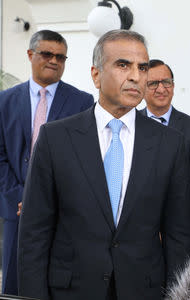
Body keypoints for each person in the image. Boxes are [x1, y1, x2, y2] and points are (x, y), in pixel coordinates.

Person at [17, 30, 190, 300]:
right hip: (70, 292)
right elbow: (34, 235)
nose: (136, 76)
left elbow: (180, 238)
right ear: (96, 75)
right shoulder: (55, 139)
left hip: (144, 292)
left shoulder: (170, 144)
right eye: (123, 65)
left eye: (142, 67)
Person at [0, 29, 93, 295]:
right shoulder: (5, 101)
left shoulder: (81, 102)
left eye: (61, 57)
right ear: (31, 55)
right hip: (16, 210)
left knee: (57, 284)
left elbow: (82, 157)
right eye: (47, 54)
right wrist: (19, 197)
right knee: (15, 287)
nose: (54, 61)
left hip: (61, 214)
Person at [142, 59, 190, 245]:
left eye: (166, 82)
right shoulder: (131, 123)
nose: (161, 89)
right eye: (153, 83)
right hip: (137, 231)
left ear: (173, 85)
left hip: (179, 231)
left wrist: (164, 227)